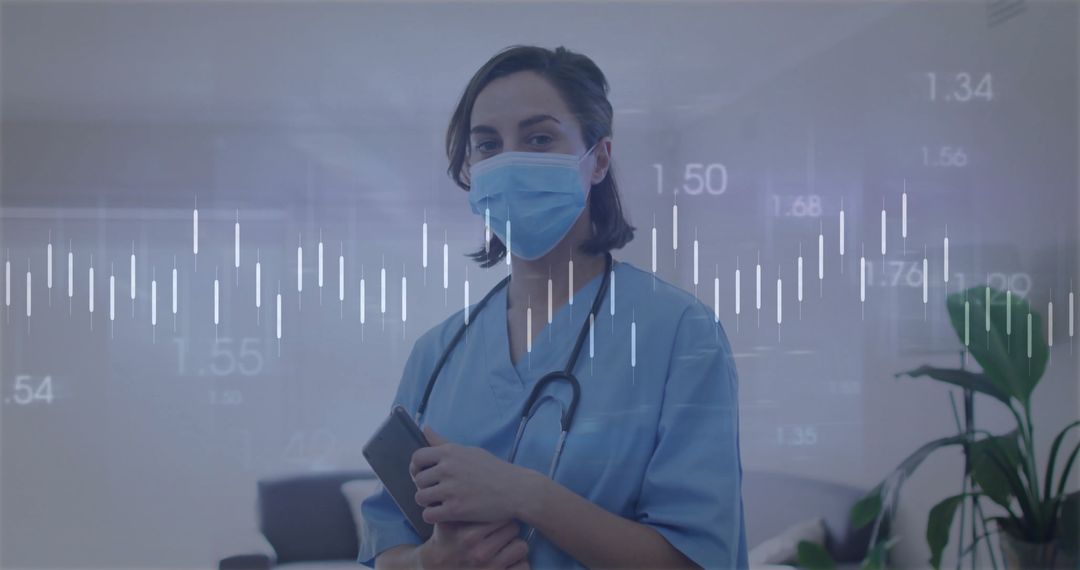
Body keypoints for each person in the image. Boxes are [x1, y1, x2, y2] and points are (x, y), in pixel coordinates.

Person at [358, 44, 748, 570]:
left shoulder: (680, 333)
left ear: (599, 158)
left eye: (539, 138)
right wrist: (430, 563)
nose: (510, 162)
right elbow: (384, 548)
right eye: (488, 145)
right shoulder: (438, 352)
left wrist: (525, 495)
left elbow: (699, 560)